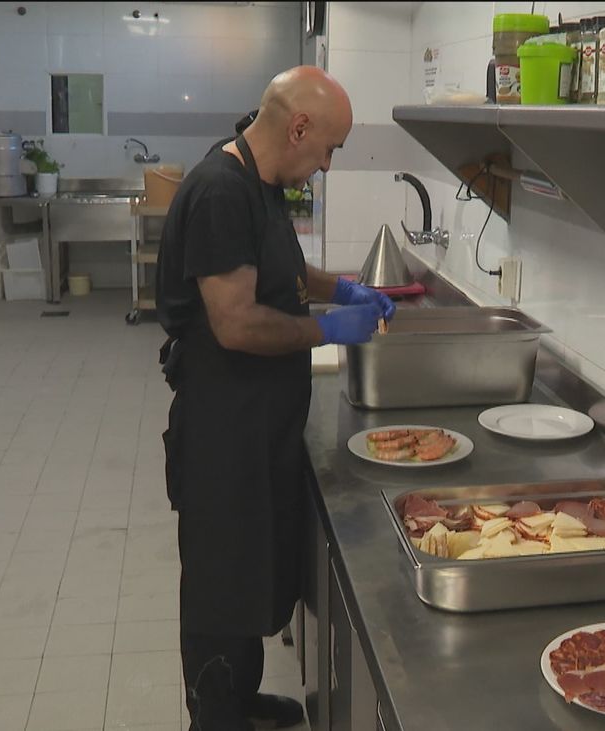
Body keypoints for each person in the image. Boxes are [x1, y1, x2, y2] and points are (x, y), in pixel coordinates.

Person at [156, 66, 394, 731]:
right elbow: (234, 322)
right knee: (219, 581)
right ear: (298, 128)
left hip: (259, 416)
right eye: (329, 149)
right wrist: (327, 327)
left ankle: (244, 692)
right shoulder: (220, 191)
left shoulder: (260, 183)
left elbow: (280, 270)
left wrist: (341, 287)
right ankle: (215, 711)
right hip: (222, 425)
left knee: (253, 571)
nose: (325, 165)